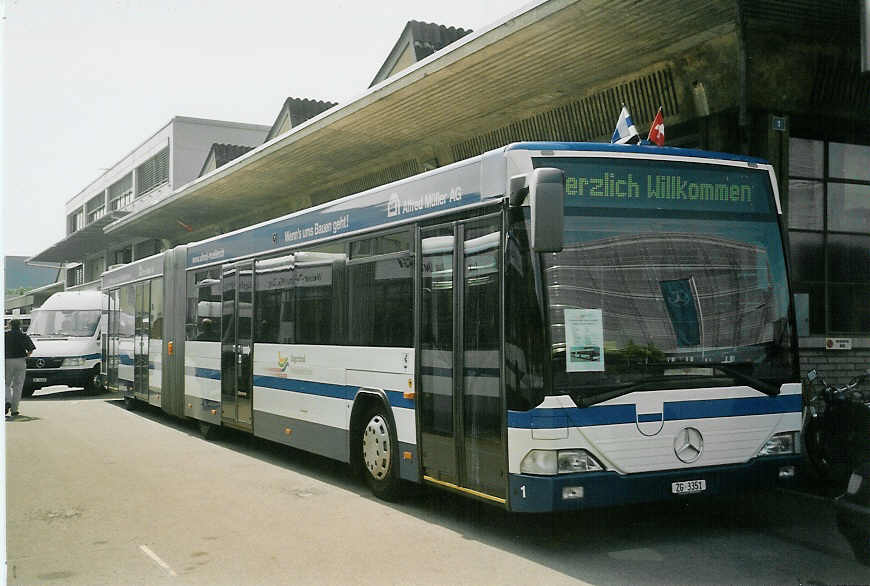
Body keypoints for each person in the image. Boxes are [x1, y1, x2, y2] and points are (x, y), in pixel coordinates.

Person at [5, 318, 35, 418]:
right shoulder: (23, 336)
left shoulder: (5, 336)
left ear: (10, 325)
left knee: (6, 383)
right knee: (18, 385)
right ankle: (14, 410)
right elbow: (31, 349)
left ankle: (7, 401)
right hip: (21, 360)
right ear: (20, 326)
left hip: (7, 360)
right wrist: (27, 355)